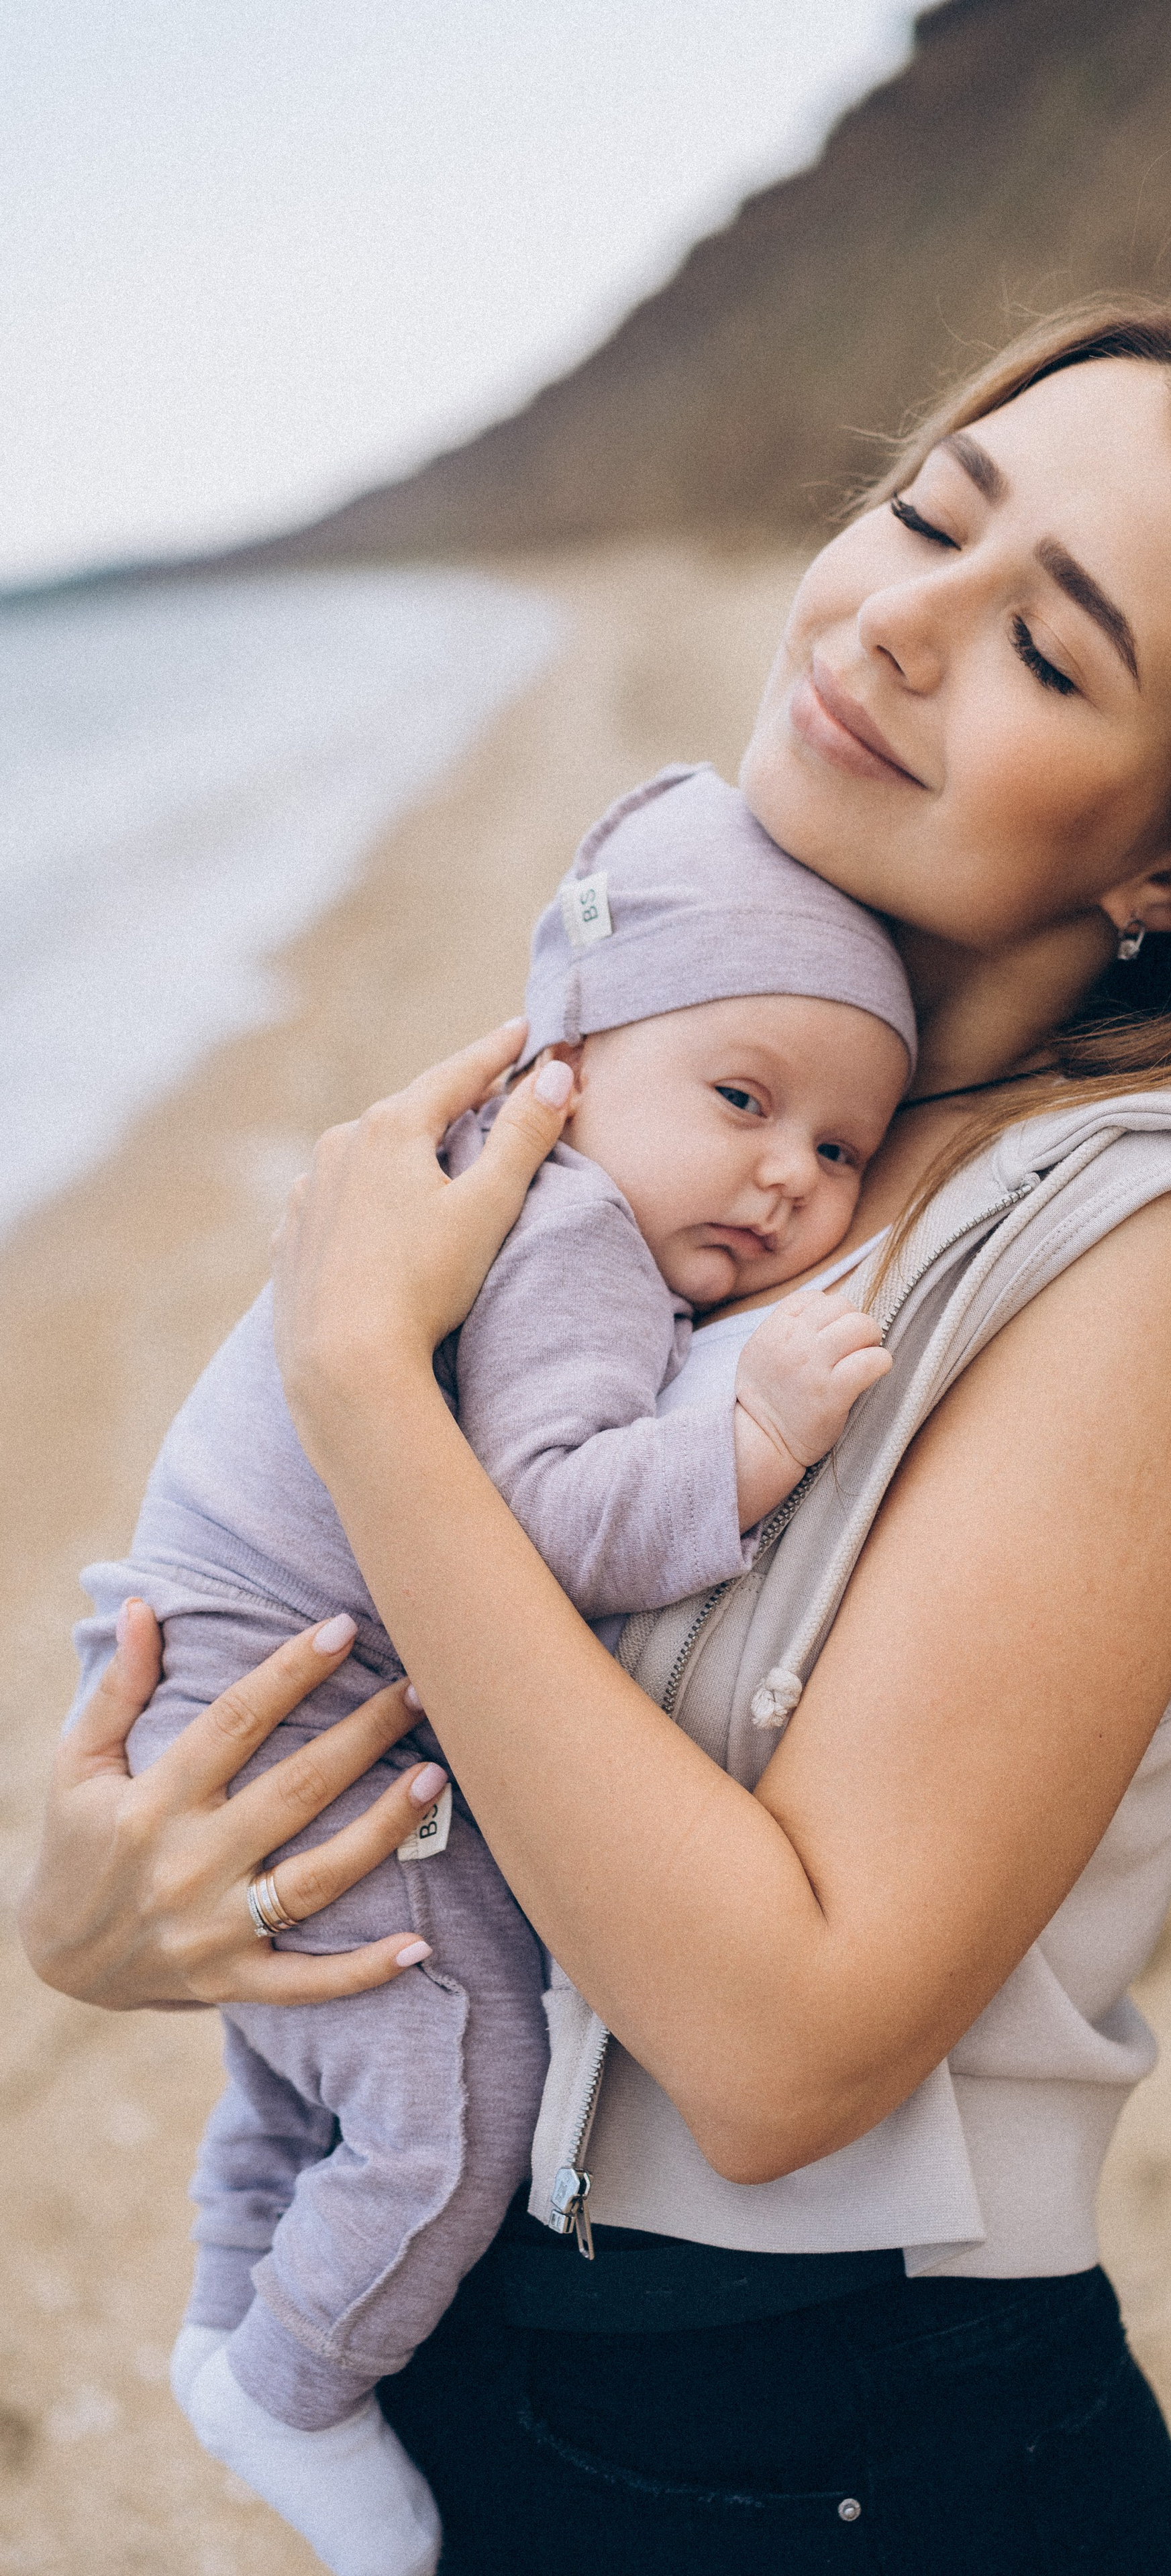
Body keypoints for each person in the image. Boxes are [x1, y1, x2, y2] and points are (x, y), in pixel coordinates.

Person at [25, 297, 1171, 2576]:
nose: (900, 622)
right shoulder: (723, 1151)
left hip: (853, 2459)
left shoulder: (1154, 1238)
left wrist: (363, 1388)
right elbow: (409, 1741)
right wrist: (115, 1910)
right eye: (928, 515)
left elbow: (784, 2049)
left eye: (1051, 648)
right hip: (518, 2410)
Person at [68, 763, 917, 2576]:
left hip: (210, 1653)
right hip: (301, 1684)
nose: (791, 1172)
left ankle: (221, 2321)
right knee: (457, 2090)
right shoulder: (573, 1228)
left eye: (845, 1148)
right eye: (745, 1100)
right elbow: (538, 1517)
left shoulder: (497, 1196)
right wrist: (751, 1442)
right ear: (567, 1069)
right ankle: (293, 2389)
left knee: (296, 2064)